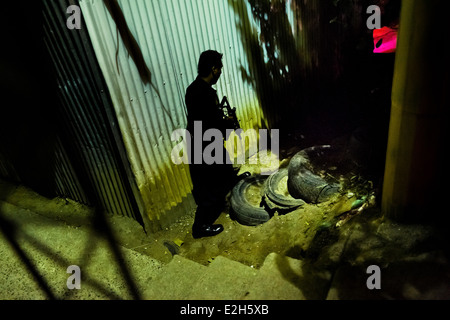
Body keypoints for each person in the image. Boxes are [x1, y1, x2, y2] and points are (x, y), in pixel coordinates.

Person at [185, 50, 249, 239]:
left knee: (224, 166)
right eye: (219, 69)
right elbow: (212, 125)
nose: (220, 73)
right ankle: (200, 227)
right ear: (214, 69)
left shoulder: (193, 88)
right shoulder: (205, 94)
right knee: (209, 187)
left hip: (200, 140)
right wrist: (228, 123)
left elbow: (205, 120)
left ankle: (231, 181)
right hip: (205, 143)